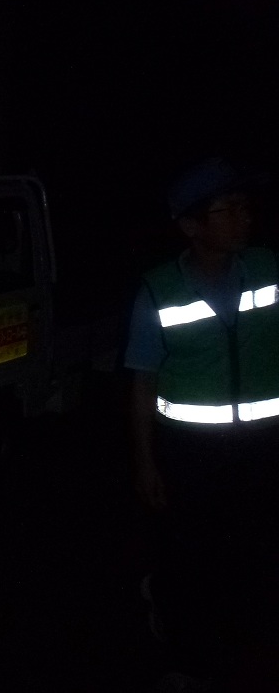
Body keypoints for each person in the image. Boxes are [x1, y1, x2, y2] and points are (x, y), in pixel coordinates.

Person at [126, 157, 279, 684]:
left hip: (261, 445)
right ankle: (183, 654)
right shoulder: (158, 289)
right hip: (190, 452)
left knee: (251, 550)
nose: (244, 217)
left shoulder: (268, 268)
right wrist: (145, 462)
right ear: (191, 225)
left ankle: (242, 649)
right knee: (191, 555)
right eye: (227, 209)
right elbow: (143, 380)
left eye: (245, 207)